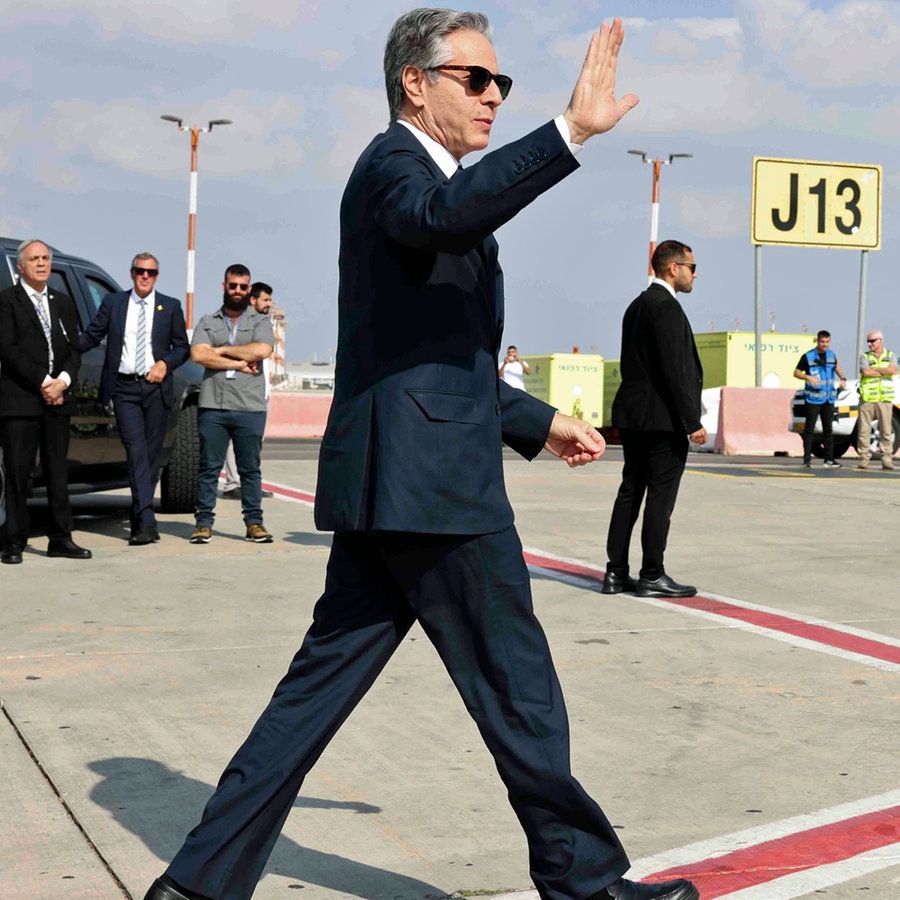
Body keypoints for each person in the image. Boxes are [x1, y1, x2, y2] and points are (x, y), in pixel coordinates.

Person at [146, 11, 699, 900]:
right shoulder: (395, 169)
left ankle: (199, 885)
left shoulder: (422, 182)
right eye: (476, 80)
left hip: (394, 478)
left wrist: (535, 418)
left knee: (313, 697)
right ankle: (587, 883)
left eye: (502, 85)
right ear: (416, 82)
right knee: (520, 691)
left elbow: (431, 354)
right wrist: (568, 132)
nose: (493, 97)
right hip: (433, 490)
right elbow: (445, 216)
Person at [601, 240, 705, 601]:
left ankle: (615, 573)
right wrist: (692, 420)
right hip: (662, 422)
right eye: (692, 267)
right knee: (660, 497)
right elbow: (672, 372)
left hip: (633, 417)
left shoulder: (636, 306)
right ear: (673, 268)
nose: (695, 275)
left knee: (630, 492)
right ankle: (652, 575)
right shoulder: (667, 309)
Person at [78, 252, 190, 544]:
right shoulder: (114, 303)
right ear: (131, 273)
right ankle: (147, 521)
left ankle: (138, 513)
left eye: (150, 272)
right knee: (135, 450)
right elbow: (91, 336)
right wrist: (57, 345)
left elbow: (182, 347)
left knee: (152, 456)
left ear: (156, 276)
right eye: (140, 271)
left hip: (155, 389)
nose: (144, 276)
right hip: (124, 388)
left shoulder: (171, 307)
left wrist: (165, 364)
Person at [0, 239, 91, 565]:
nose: (41, 263)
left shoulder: (63, 302)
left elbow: (74, 348)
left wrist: (62, 381)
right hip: (22, 400)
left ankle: (60, 538)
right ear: (20, 266)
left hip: (58, 400)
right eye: (34, 259)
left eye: (45, 258)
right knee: (17, 474)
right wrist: (43, 382)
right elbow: (8, 349)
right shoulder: (7, 302)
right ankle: (12, 541)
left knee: (57, 472)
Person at [188, 265, 274, 545]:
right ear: (224, 286)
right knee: (209, 467)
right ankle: (203, 523)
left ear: (249, 290)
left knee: (250, 469)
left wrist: (222, 350)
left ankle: (254, 523)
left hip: (250, 406)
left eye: (243, 286)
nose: (237, 291)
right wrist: (238, 361)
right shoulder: (207, 320)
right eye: (233, 285)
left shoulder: (260, 321)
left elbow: (263, 350)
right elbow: (199, 354)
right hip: (213, 404)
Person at [221, 282, 275, 501]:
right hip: (240, 392)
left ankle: (249, 483)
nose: (269, 304)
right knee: (236, 441)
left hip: (259, 392)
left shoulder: (262, 324)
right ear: (253, 300)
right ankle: (233, 483)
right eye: (266, 300)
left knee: (252, 443)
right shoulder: (242, 324)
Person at [794, 330, 846, 468]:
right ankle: (806, 460)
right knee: (809, 429)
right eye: (822, 342)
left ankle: (829, 460)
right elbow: (796, 372)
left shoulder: (831, 355)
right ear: (818, 341)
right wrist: (808, 377)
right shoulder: (808, 356)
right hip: (813, 398)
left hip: (828, 399)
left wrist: (843, 378)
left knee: (828, 430)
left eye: (827, 342)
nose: (825, 345)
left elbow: (836, 366)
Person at [856, 330, 896, 471]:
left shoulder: (890, 355)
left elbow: (893, 370)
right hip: (867, 398)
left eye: (872, 341)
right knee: (864, 430)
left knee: (886, 429)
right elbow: (865, 372)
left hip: (884, 398)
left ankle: (886, 458)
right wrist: (882, 370)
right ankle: (864, 458)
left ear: (880, 340)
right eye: (868, 341)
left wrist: (875, 369)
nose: (869, 344)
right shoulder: (864, 356)